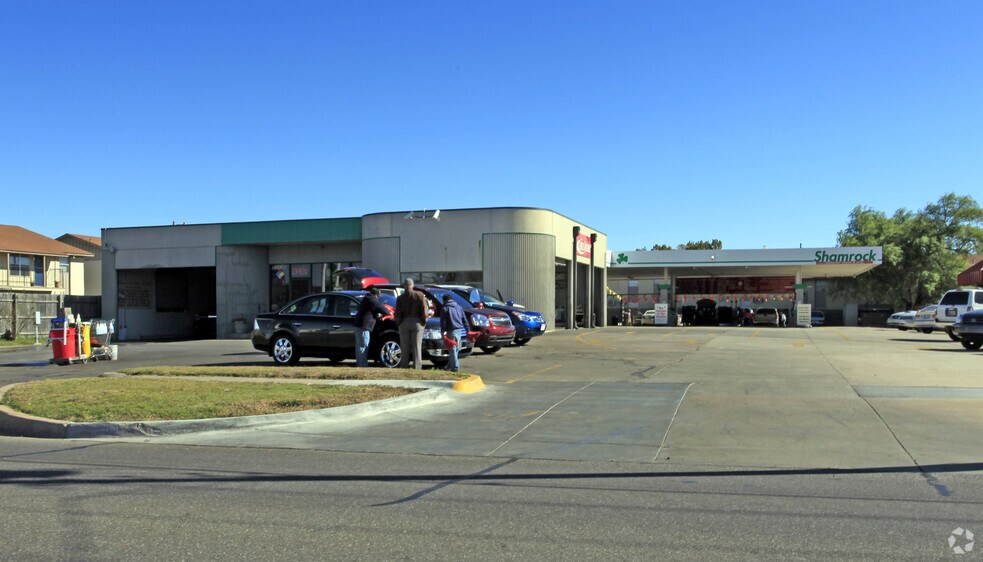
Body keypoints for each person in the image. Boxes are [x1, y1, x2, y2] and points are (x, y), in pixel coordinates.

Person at [394, 278, 429, 369]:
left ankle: (404, 365)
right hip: (417, 322)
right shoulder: (420, 295)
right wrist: (424, 321)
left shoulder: (400, 298)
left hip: (404, 323)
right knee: (417, 345)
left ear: (404, 286)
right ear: (412, 285)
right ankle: (417, 367)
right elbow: (424, 310)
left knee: (404, 345)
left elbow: (397, 313)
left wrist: (398, 323)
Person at [353, 287, 388, 367]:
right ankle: (362, 365)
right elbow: (380, 307)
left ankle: (360, 364)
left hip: (360, 326)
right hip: (363, 327)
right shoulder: (371, 298)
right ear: (376, 294)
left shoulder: (367, 298)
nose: (378, 298)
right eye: (378, 296)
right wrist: (387, 311)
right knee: (363, 346)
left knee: (360, 347)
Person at [439, 293, 467, 372]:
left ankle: (455, 367)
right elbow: (464, 319)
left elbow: (443, 322)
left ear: (444, 300)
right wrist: (468, 330)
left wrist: (443, 332)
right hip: (459, 330)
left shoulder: (445, 308)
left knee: (452, 349)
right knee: (456, 349)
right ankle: (449, 366)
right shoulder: (459, 307)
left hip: (451, 330)